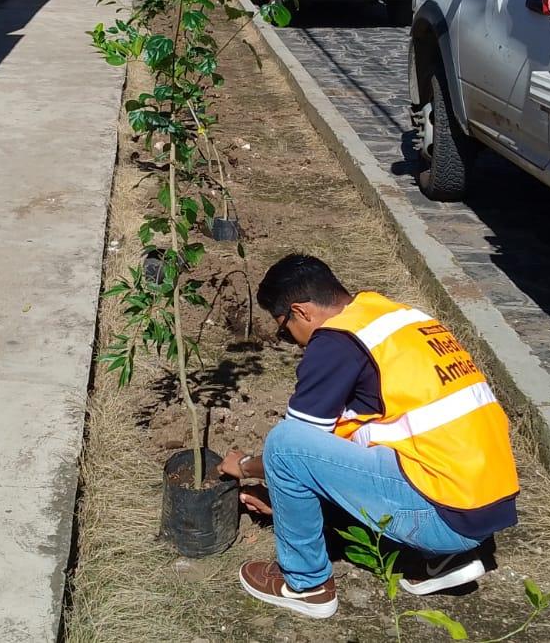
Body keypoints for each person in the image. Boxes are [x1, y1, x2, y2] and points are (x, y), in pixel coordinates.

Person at [220, 255, 520, 619]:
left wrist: (246, 466)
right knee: (351, 432)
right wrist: (289, 500)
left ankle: (305, 584)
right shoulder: (397, 317)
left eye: (284, 329)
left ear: (301, 311)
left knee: (284, 446)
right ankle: (444, 560)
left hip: (444, 516)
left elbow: (299, 444)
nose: (291, 340)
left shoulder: (335, 341)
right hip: (482, 503)